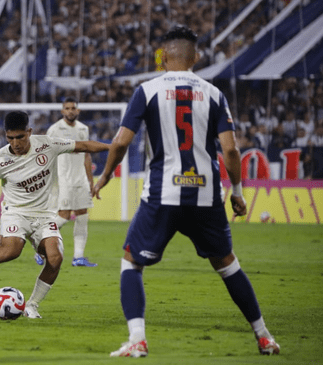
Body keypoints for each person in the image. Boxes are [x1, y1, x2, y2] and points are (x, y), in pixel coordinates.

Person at [92, 26, 280, 357]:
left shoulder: (147, 90)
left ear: (163, 57)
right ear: (197, 57)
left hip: (163, 194)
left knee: (131, 263)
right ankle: (264, 336)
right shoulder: (213, 93)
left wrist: (107, 174)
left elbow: (121, 140)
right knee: (227, 265)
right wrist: (236, 191)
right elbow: (231, 150)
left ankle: (137, 339)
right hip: (206, 195)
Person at [0, 111, 110, 318]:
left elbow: (82, 146)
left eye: (20, 137)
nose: (15, 143)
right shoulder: (1, 159)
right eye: (10, 138)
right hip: (16, 213)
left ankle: (32, 305)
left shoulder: (47, 145)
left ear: (29, 132)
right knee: (12, 250)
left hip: (45, 215)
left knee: (55, 258)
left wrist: (114, 147)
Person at [35, 97, 97, 267]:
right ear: (63, 111)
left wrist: (90, 181)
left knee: (82, 216)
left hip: (81, 180)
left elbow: (87, 155)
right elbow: (46, 154)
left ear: (78, 111)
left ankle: (78, 257)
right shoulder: (55, 129)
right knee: (64, 215)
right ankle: (40, 247)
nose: (70, 110)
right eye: (67, 108)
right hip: (63, 179)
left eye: (73, 108)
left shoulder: (83, 129)